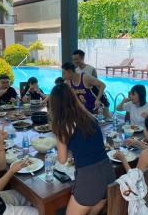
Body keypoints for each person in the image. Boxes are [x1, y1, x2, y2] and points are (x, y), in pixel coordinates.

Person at [49, 83, 115, 215]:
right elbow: (90, 144)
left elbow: (62, 159)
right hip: (108, 172)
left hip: (89, 179)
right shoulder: (89, 117)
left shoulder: (63, 125)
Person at [72, 50, 112, 119]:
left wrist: (98, 99)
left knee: (107, 117)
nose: (74, 61)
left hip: (95, 96)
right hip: (85, 99)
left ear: (82, 58)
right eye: (73, 59)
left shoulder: (91, 69)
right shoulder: (75, 71)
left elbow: (98, 86)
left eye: (76, 59)